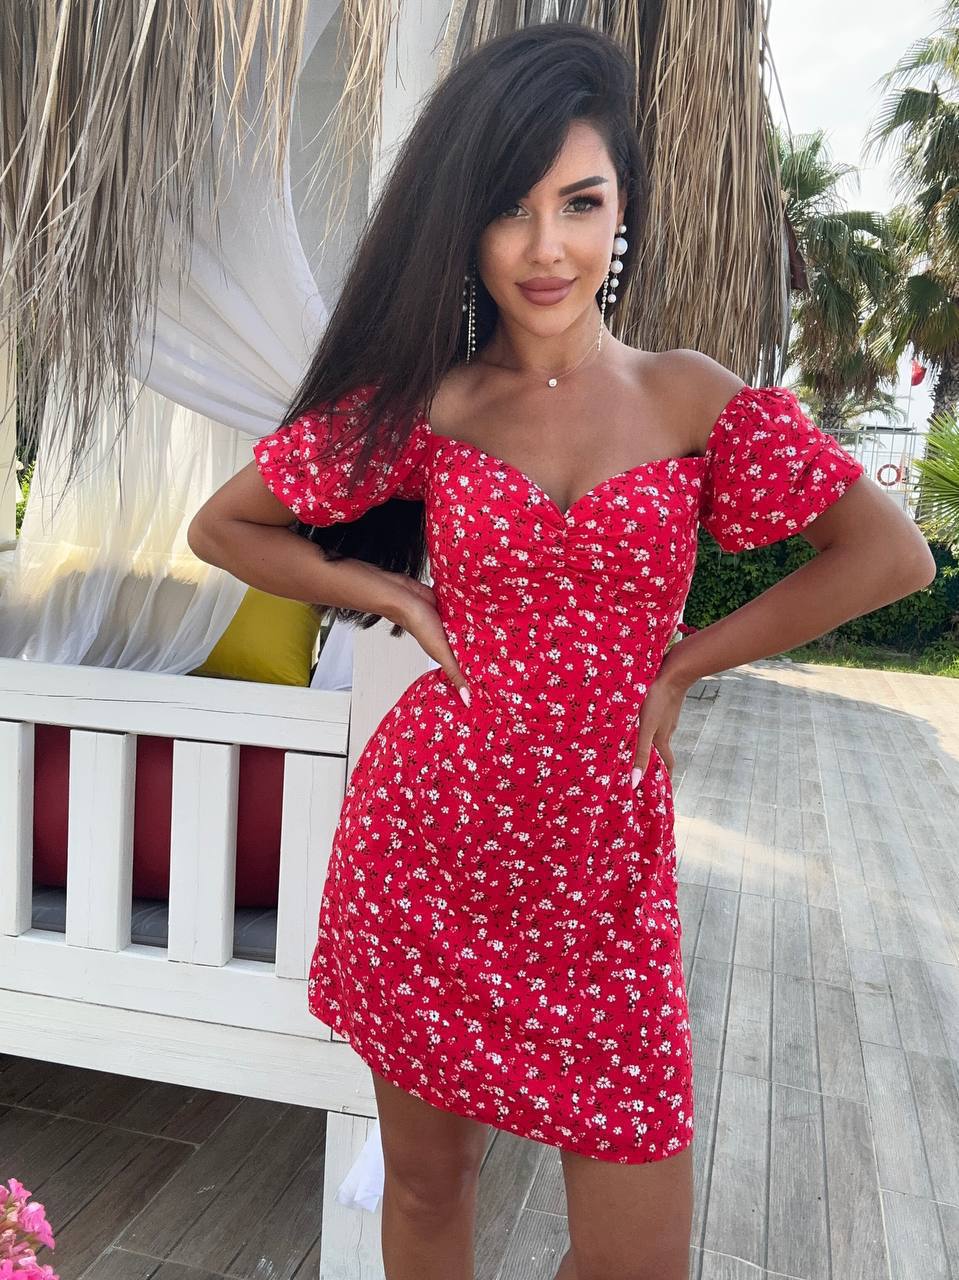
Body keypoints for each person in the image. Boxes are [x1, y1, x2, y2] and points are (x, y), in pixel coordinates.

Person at [186, 21, 936, 1280]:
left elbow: (885, 556)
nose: (547, 247)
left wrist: (684, 659)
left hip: (601, 871)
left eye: (579, 203)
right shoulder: (425, 403)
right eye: (511, 211)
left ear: (621, 210)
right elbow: (225, 525)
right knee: (429, 1189)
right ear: (466, 232)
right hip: (426, 846)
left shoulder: (691, 397)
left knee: (640, 1254)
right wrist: (389, 588)